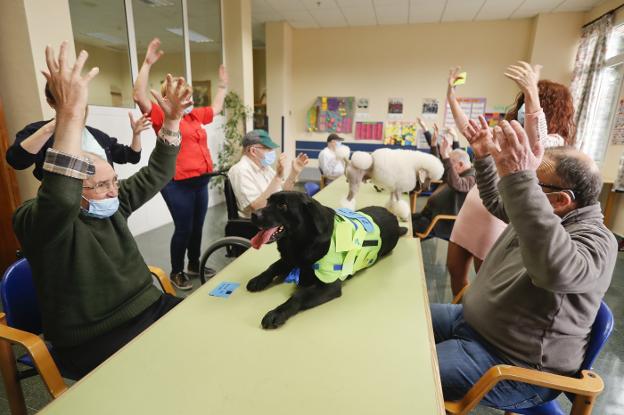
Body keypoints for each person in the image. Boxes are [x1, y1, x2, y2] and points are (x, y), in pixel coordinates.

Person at [12, 42, 191, 378]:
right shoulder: (35, 221)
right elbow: (60, 199)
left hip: (148, 306)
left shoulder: (112, 204)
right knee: (167, 376)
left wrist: (173, 121)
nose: (113, 190)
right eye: (102, 185)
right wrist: (68, 115)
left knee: (201, 336)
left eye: (114, 182)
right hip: (95, 337)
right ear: (71, 187)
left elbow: (157, 173)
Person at [432, 118, 617, 411]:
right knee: (404, 324)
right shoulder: (541, 211)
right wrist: (483, 157)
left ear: (558, 200)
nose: (524, 189)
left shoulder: (598, 242)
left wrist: (520, 181)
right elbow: (497, 200)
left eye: (532, 182)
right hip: (471, 325)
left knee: (408, 368)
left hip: (511, 364)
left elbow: (554, 270)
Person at [446, 62, 576, 296]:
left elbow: (538, 137)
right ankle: (457, 311)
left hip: (494, 214)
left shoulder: (553, 143)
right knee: (455, 270)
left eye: (529, 100)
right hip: (474, 206)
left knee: (483, 284)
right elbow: (470, 130)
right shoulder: (511, 130)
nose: (523, 105)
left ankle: (469, 322)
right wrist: (451, 97)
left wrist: (531, 93)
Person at [132, 38, 228, 290]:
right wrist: (146, 64)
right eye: (183, 94)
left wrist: (223, 85)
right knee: (184, 228)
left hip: (200, 180)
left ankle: (194, 264)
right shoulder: (161, 115)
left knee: (198, 226)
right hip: (177, 183)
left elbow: (216, 107)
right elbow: (139, 95)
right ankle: (176, 271)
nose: (189, 98)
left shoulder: (195, 115)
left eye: (188, 94)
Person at [6, 83, 146, 180]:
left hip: (104, 204)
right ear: (51, 102)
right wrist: (54, 125)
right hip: (65, 211)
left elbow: (132, 157)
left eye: (80, 100)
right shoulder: (39, 131)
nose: (78, 106)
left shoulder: (97, 136)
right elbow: (17, 161)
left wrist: (136, 135)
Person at [228, 129, 308, 218]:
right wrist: (277, 177)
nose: (272, 152)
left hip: (274, 217)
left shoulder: (265, 167)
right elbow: (257, 207)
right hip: (259, 223)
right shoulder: (240, 171)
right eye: (268, 149)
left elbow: (283, 192)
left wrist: (294, 172)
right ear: (252, 151)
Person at [412, 133, 475, 238]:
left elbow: (459, 185)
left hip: (440, 222)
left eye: (450, 163)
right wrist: (434, 146)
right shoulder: (457, 173)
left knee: (406, 228)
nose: (448, 166)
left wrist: (446, 155)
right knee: (404, 219)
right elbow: (439, 167)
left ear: (460, 165)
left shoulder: (473, 177)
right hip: (429, 215)